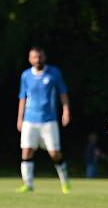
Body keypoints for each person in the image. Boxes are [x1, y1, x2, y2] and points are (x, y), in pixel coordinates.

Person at [16, 46, 72, 194]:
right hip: (29, 120)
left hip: (49, 120)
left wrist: (66, 111)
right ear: (30, 59)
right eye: (34, 57)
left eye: (40, 56)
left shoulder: (54, 73)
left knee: (54, 153)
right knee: (26, 151)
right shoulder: (26, 75)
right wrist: (19, 118)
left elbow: (63, 93)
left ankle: (65, 182)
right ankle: (28, 184)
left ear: (44, 57)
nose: (37, 59)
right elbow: (23, 97)